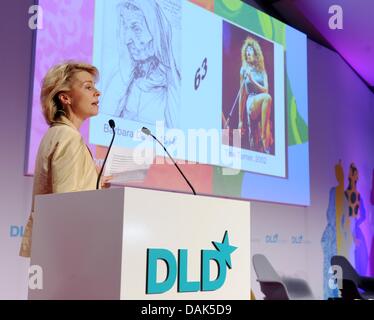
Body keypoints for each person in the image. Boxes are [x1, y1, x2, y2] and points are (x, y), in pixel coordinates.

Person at [19, 61, 111, 258]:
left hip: (53, 245)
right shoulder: (68, 137)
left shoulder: (56, 133)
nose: (97, 92)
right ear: (65, 98)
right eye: (88, 87)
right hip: (69, 249)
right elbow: (66, 204)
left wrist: (97, 185)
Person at [109, 0, 180, 128]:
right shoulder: (122, 76)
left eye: (136, 28)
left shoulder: (172, 86)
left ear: (156, 31)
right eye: (125, 27)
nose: (127, 39)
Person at [238, 36, 273, 153]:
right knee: (267, 98)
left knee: (260, 147)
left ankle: (263, 136)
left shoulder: (263, 71)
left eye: (250, 52)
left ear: (256, 54)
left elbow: (266, 90)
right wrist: (240, 120)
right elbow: (242, 95)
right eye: (246, 53)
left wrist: (253, 80)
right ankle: (263, 135)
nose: (248, 55)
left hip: (262, 105)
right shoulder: (244, 69)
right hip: (251, 101)